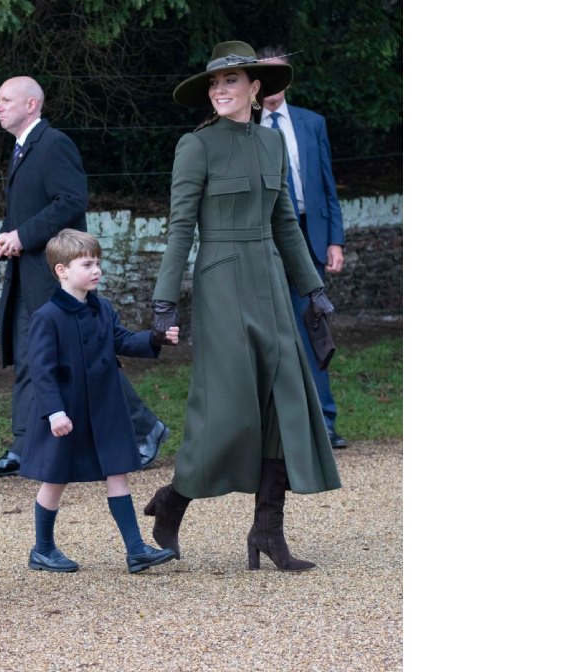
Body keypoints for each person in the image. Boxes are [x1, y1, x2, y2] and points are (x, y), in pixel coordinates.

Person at [141, 41, 342, 572]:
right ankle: (173, 500)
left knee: (283, 403)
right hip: (221, 281)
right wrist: (165, 302)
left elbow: (284, 226)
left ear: (256, 88)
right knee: (227, 410)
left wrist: (313, 290)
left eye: (231, 81)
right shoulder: (196, 146)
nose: (221, 90)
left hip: (271, 279)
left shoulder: (272, 147)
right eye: (214, 83)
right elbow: (181, 226)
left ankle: (268, 532)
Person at [0, 75, 170, 477]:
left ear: (32, 105)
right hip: (27, 275)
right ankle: (23, 447)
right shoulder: (20, 150)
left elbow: (71, 201)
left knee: (87, 357)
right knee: (31, 358)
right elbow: (26, 210)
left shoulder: (53, 144)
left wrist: (23, 235)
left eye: (5, 99)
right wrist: (6, 236)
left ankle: (146, 428)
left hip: (53, 275)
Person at [20, 229, 179, 574]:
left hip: (106, 407)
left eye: (98, 263)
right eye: (87, 263)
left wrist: (154, 337)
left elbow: (120, 340)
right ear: (62, 270)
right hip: (66, 411)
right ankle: (42, 549)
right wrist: (54, 411)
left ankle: (136, 550)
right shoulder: (47, 316)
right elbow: (41, 371)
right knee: (55, 478)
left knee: (117, 471)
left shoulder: (102, 308)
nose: (96, 270)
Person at [255, 46, 348, 449]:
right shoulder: (243, 127)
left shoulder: (312, 124)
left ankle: (324, 422)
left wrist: (335, 240)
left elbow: (328, 186)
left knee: (312, 327)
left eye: (278, 78)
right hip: (261, 241)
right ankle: (271, 427)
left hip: (309, 236)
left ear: (287, 81)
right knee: (265, 334)